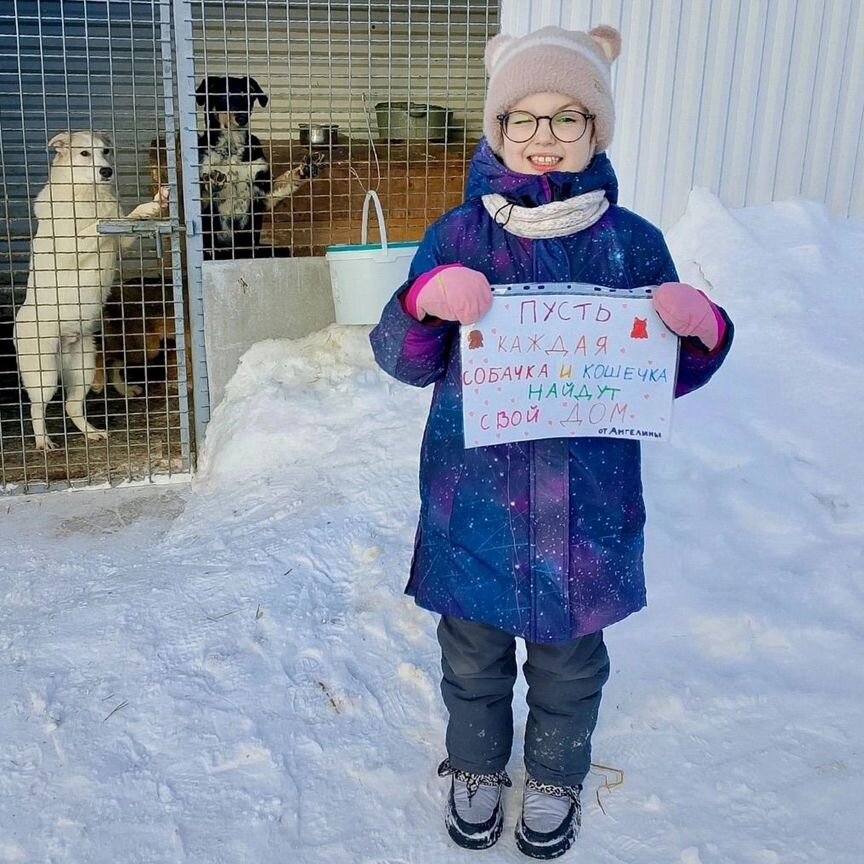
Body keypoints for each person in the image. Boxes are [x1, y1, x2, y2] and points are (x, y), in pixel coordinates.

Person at [370, 24, 733, 860]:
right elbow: (401, 359)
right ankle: (476, 769)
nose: (544, 137)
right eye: (523, 118)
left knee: (571, 663)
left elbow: (660, 377)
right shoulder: (460, 236)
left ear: (595, 131)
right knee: (472, 656)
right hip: (476, 499)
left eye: (568, 117)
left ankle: (560, 775)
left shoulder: (631, 241)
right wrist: (424, 303)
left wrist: (700, 331)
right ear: (497, 130)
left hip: (588, 506)